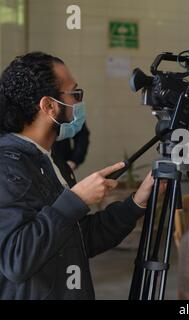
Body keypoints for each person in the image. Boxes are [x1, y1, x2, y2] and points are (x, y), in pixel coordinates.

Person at [0, 52, 154, 300]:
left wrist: (136, 202)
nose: (79, 102)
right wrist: (75, 200)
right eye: (74, 93)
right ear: (48, 105)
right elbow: (17, 259)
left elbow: (79, 239)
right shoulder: (7, 166)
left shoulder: (50, 159)